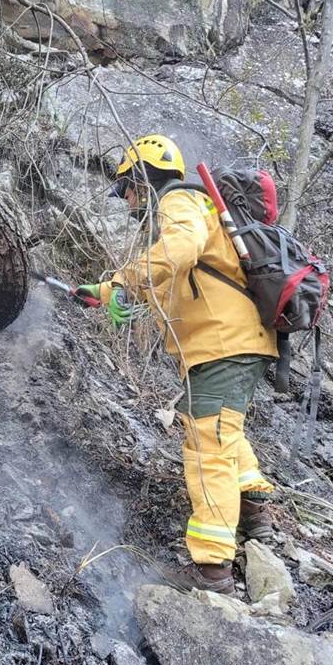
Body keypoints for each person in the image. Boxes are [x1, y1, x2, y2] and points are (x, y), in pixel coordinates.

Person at [78, 135, 277, 595]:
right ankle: (255, 514)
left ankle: (212, 572)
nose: (126, 202)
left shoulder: (181, 199)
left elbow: (181, 249)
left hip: (223, 344)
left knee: (208, 445)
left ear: (142, 179)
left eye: (125, 189)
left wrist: (126, 279)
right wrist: (105, 291)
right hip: (227, 344)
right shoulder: (186, 213)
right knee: (221, 428)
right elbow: (169, 274)